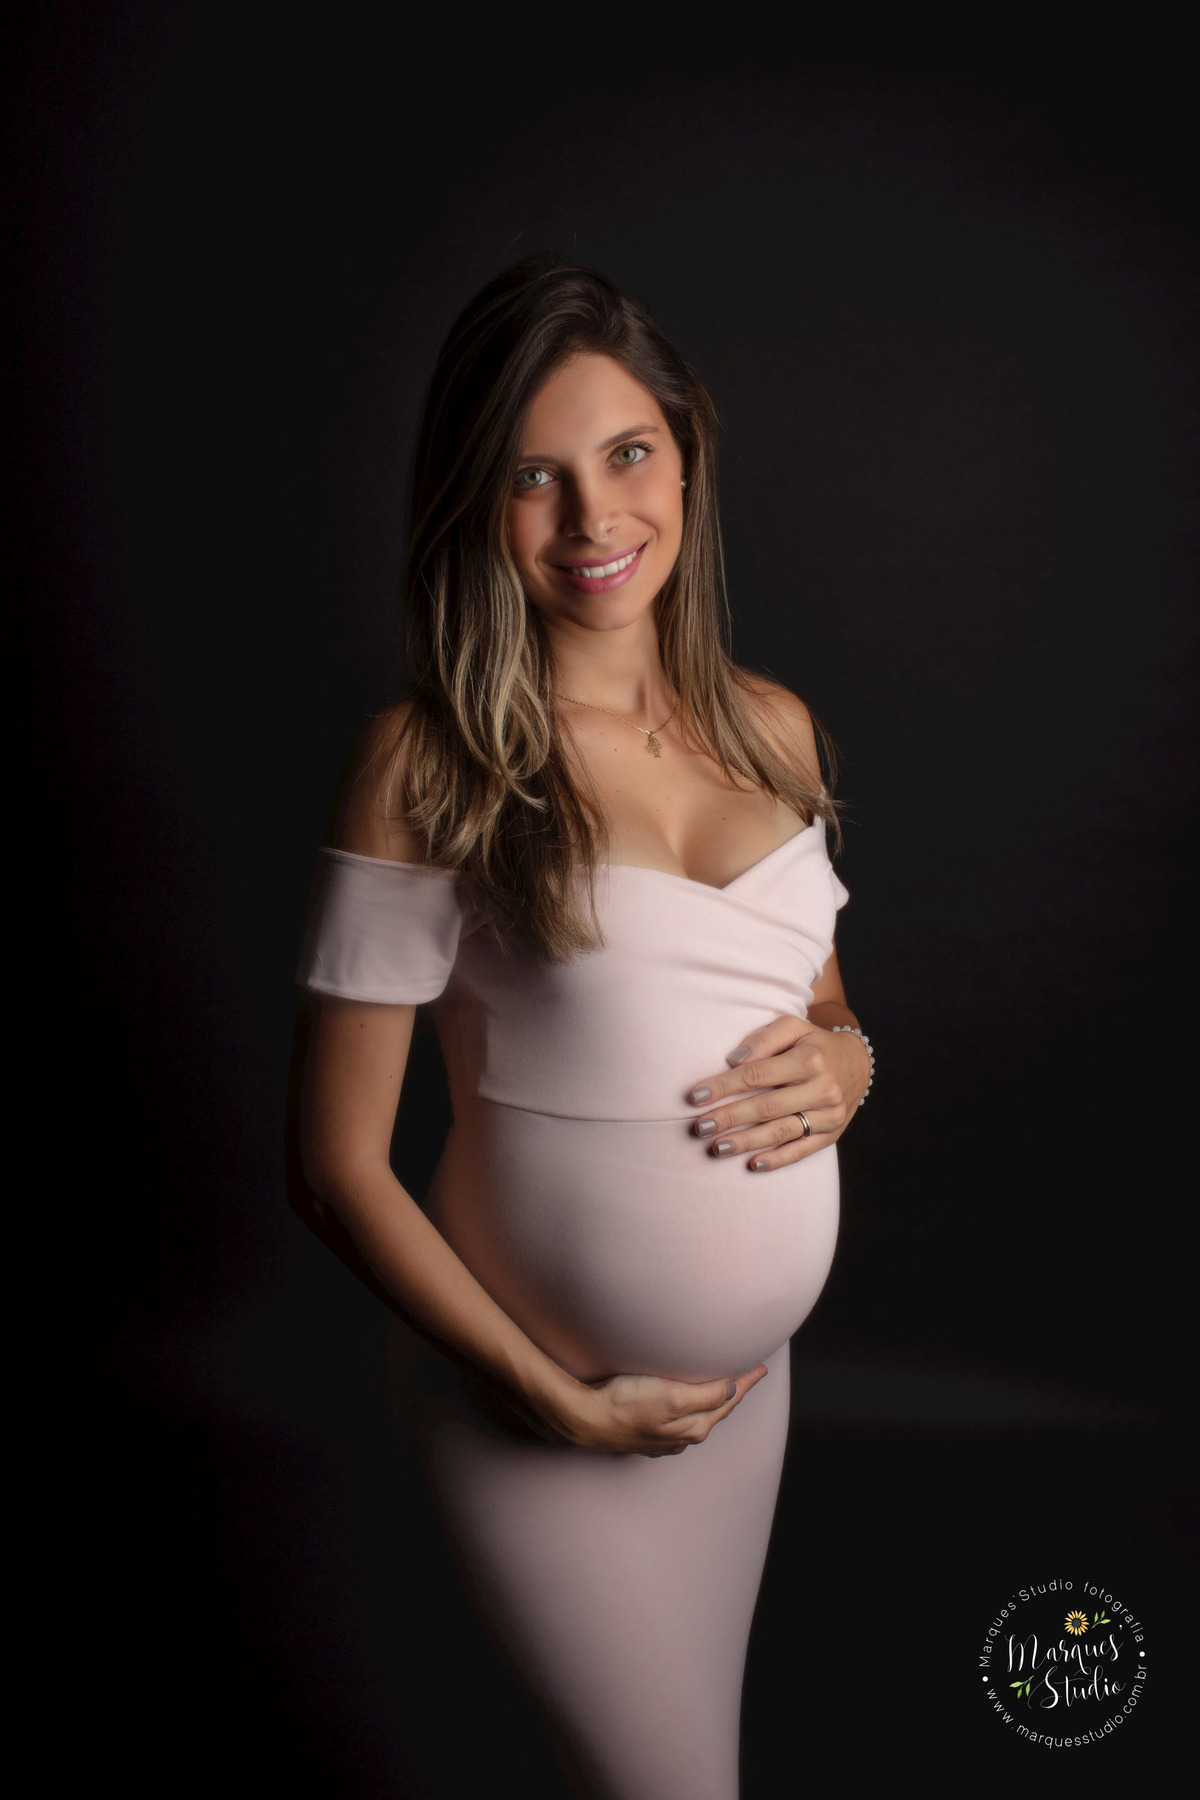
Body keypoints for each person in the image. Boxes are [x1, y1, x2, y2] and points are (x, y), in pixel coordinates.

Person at [290, 260, 873, 1799]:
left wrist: (853, 1059)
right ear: (476, 506)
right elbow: (336, 1162)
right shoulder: (429, 761)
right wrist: (546, 1395)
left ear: (685, 451)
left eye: (627, 455)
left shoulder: (776, 727)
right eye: (531, 477)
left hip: (741, 1404)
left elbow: (810, 1005)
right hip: (535, 1399)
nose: (593, 519)